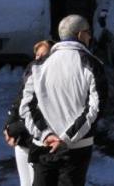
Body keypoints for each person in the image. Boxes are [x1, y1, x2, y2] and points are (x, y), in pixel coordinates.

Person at [21, 15, 102, 186]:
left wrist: (46, 135)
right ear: (80, 35)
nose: (90, 38)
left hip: (43, 146)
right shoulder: (92, 64)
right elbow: (95, 107)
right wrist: (65, 138)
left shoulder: (37, 66)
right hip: (77, 146)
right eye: (88, 33)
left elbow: (27, 106)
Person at [4, 40, 53, 186]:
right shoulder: (30, 72)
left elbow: (41, 112)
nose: (38, 59)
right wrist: (8, 126)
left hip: (39, 141)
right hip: (23, 140)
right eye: (36, 55)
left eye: (43, 56)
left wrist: (16, 128)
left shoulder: (52, 79)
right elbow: (18, 102)